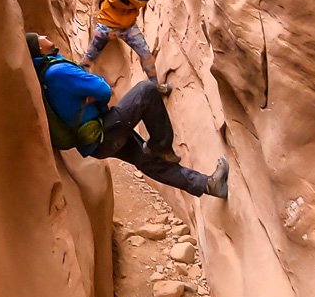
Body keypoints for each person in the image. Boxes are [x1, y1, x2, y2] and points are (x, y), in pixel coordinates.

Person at [28, 32, 228, 199]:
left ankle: (209, 185)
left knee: (147, 161)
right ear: (39, 49)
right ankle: (161, 146)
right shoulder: (57, 71)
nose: (45, 36)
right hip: (103, 131)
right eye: (40, 37)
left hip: (94, 141)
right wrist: (91, 94)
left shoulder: (44, 73)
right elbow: (103, 89)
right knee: (147, 91)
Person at [80, 0, 172, 95]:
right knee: (90, 57)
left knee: (146, 54)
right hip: (106, 25)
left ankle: (155, 87)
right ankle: (78, 87)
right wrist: (134, 0)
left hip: (128, 26)